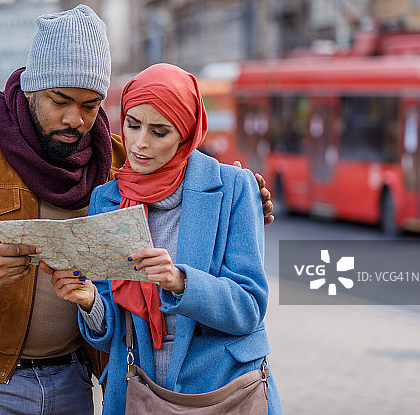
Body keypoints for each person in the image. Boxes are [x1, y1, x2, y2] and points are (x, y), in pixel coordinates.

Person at [0, 5, 273, 415]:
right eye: (60, 100)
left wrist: (244, 193)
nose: (75, 120)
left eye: (90, 105)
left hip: (73, 378)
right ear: (31, 87)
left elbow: (183, 180)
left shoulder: (118, 160)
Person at [47, 63, 282, 414]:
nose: (140, 144)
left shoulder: (235, 188)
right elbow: (112, 327)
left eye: (159, 132)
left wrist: (180, 281)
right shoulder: (107, 200)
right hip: (140, 387)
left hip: (224, 390)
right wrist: (88, 300)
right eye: (132, 124)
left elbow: (248, 309)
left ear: (186, 134)